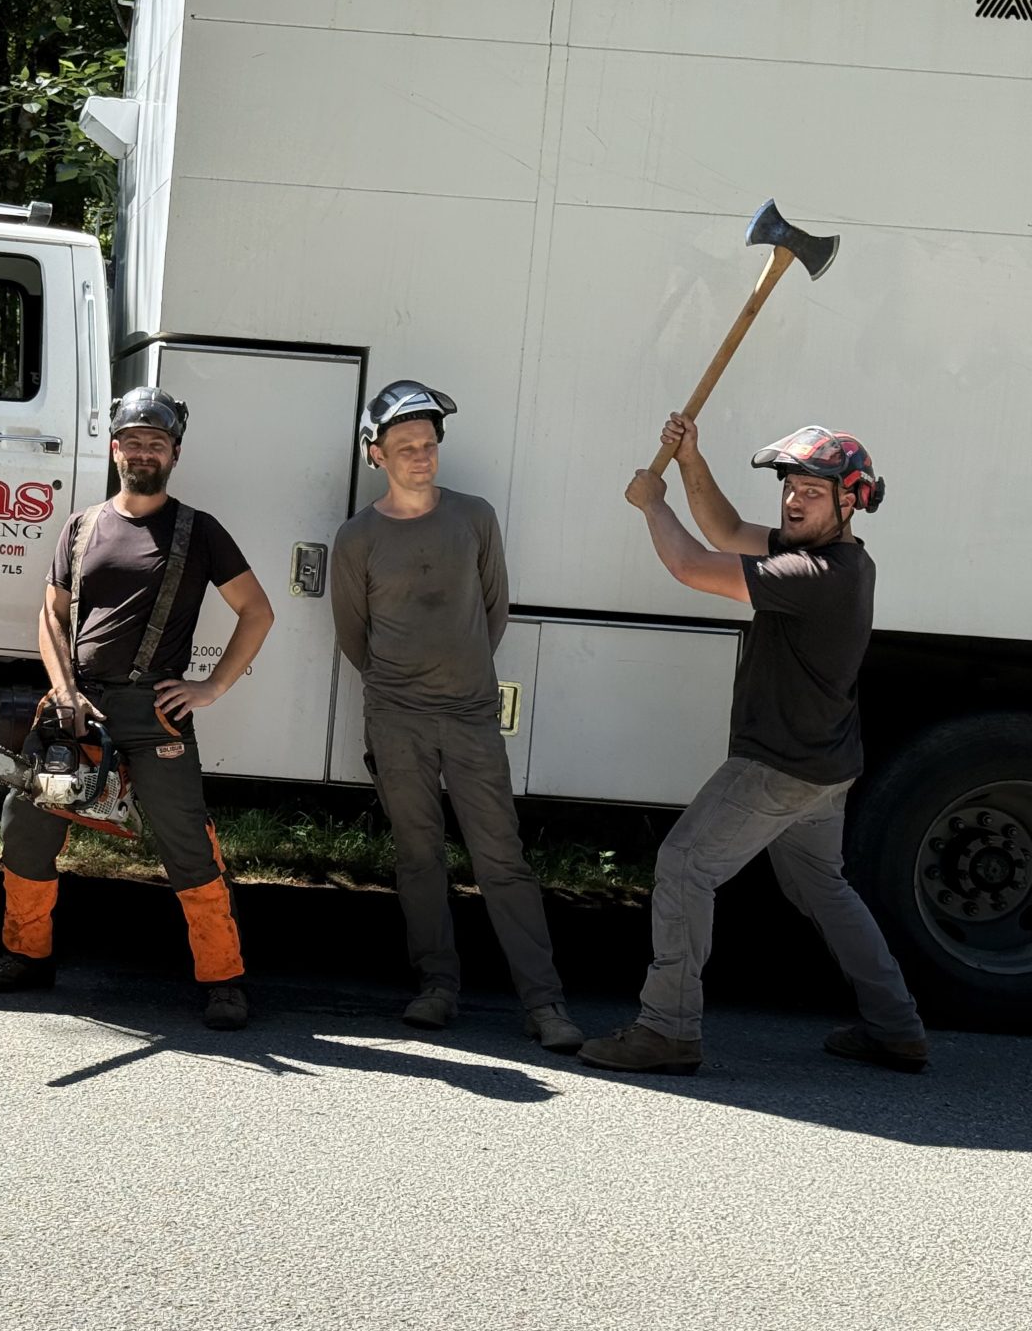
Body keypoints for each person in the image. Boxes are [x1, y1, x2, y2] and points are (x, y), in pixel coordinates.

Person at [580, 416, 927, 1075]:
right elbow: (727, 531)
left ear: (852, 500)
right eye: (791, 486)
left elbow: (689, 564)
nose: (795, 499)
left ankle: (667, 1030)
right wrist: (688, 462)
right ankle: (897, 1026)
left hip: (779, 768)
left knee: (685, 864)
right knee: (824, 888)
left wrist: (652, 505)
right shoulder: (843, 560)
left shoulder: (814, 574)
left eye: (814, 491)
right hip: (825, 769)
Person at [0, 387, 275, 1030]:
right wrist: (65, 689)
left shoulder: (199, 531)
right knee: (27, 821)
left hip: (154, 712)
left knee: (188, 843)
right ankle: (26, 955)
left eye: (155, 442)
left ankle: (224, 980)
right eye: (132, 440)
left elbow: (258, 612)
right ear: (114, 449)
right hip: (78, 706)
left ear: (174, 454)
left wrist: (209, 688)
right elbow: (50, 616)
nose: (142, 451)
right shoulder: (81, 527)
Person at [329, 381, 582, 1051]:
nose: (421, 456)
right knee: (418, 857)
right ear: (375, 454)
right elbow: (354, 636)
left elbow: (494, 611)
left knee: (503, 859)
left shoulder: (474, 518)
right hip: (396, 718)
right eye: (406, 447)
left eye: (430, 445)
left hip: (470, 715)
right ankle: (437, 989)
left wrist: (459, 676)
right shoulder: (356, 538)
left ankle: (545, 1004)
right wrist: (401, 688)